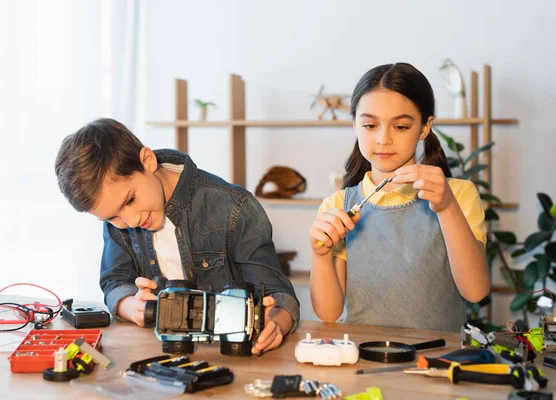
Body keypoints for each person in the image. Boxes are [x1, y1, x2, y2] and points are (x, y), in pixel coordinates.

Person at [55, 118, 299, 354]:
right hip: (157, 356)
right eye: (111, 218)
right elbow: (115, 281)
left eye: (130, 200)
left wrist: (276, 323)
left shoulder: (235, 207)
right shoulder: (119, 216)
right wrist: (132, 306)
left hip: (231, 356)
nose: (131, 221)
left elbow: (279, 296)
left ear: (147, 161)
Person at [309, 63, 489, 332]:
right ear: (355, 125)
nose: (383, 139)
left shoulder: (459, 194)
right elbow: (329, 313)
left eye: (401, 126)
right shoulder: (337, 206)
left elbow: (475, 291)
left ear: (425, 127)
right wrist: (320, 256)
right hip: (362, 360)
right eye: (370, 125)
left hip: (436, 363)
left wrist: (447, 207)